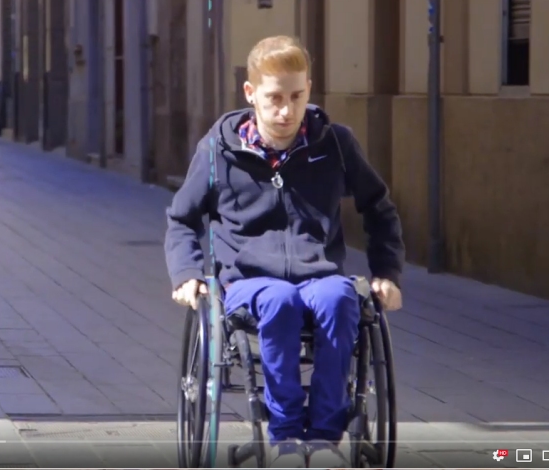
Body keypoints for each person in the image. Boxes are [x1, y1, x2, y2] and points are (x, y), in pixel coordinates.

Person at [164, 35, 405, 468]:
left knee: (340, 297)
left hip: (320, 273)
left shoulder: (334, 144)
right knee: (279, 301)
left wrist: (387, 271)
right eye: (274, 98)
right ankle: (287, 433)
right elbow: (182, 217)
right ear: (250, 93)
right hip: (248, 279)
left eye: (297, 96)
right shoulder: (218, 151)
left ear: (309, 89)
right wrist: (187, 273)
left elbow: (379, 206)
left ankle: (326, 433)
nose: (286, 111)